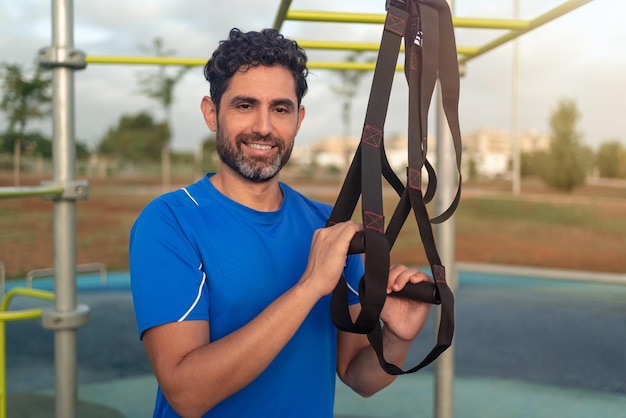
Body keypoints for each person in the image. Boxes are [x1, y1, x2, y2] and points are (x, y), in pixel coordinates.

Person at [129, 27, 432, 418]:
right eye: (244, 105)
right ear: (211, 113)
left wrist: (396, 338)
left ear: (298, 118)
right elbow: (187, 394)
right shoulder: (169, 222)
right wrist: (309, 286)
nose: (264, 127)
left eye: (280, 108)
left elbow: (358, 375)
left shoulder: (329, 225)